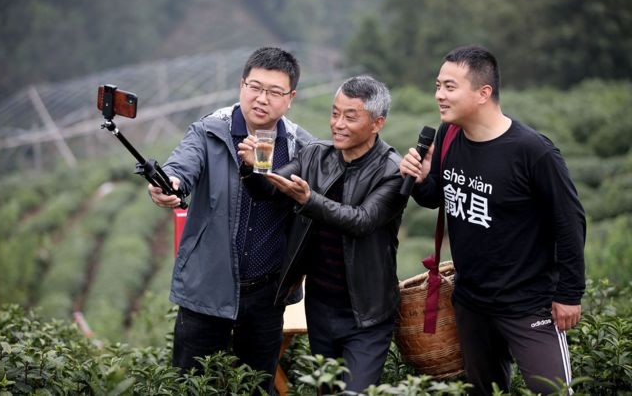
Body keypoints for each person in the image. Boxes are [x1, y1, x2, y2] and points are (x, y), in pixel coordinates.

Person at [400, 45, 586, 395]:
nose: (439, 95)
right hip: (471, 303)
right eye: (438, 85)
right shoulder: (448, 135)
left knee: (553, 391)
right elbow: (437, 198)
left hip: (528, 305)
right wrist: (421, 180)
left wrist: (570, 293)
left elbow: (570, 221)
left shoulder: (532, 152)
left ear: (484, 92)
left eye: (450, 87)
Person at [148, 46, 313, 394]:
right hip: (208, 287)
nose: (262, 98)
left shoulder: (300, 147)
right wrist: (170, 184)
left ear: (290, 98)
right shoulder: (209, 132)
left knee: (256, 387)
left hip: (266, 294)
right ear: (241, 85)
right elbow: (181, 166)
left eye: (274, 91)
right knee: (192, 385)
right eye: (255, 87)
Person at [238, 75, 407, 393]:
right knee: (325, 389)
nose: (338, 124)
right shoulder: (316, 155)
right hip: (321, 307)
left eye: (350, 116)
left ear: (377, 123)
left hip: (366, 314)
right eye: (334, 113)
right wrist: (252, 168)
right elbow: (269, 190)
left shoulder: (392, 171)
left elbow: (361, 221)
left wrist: (308, 199)